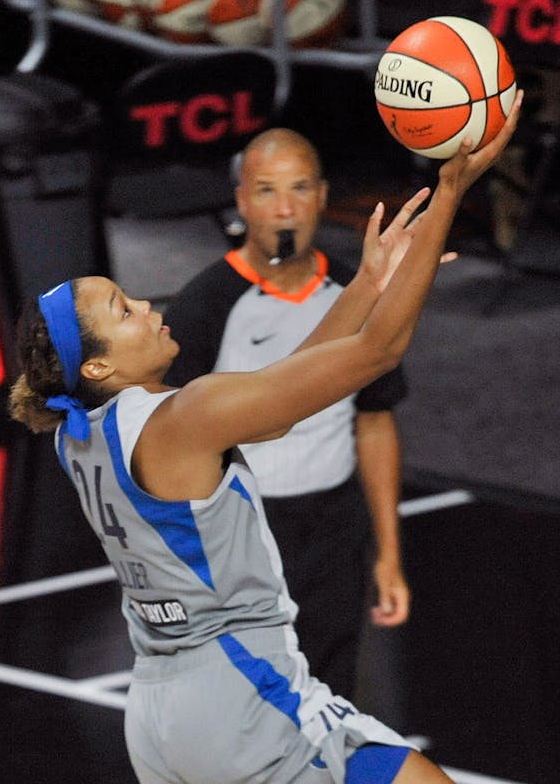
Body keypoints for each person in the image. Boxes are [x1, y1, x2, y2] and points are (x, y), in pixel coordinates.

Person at [7, 91, 520, 784]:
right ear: (99, 364)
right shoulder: (185, 415)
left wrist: (366, 281)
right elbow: (377, 354)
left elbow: (282, 397)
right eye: (124, 311)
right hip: (239, 698)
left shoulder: (82, 428)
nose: (150, 307)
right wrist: (449, 191)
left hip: (167, 706)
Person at [161, 128, 411, 700]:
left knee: (331, 691)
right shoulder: (204, 306)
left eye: (299, 188)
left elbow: (375, 420)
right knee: (241, 696)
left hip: (334, 525)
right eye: (267, 189)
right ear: (243, 200)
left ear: (322, 196)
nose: (284, 207)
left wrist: (389, 554)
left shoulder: (356, 291)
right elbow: (170, 439)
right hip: (238, 532)